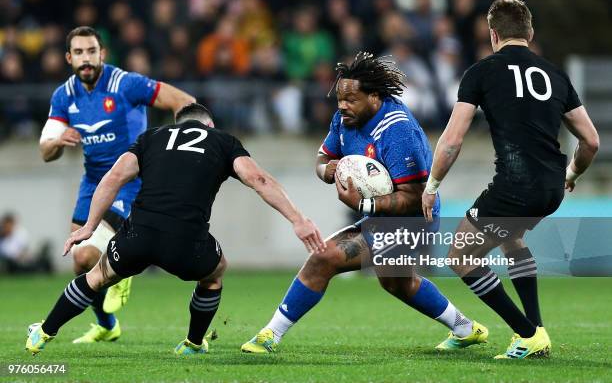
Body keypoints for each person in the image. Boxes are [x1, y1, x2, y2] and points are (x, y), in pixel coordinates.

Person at [26, 103, 325, 355]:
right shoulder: (222, 140)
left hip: (138, 234)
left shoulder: (151, 137)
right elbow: (258, 180)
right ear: (209, 124)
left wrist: (89, 226)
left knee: (97, 276)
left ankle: (44, 331)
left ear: (176, 124)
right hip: (187, 242)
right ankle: (194, 343)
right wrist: (297, 220)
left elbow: (114, 177)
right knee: (215, 271)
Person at [241, 52, 488, 354]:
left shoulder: (398, 131)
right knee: (398, 284)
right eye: (339, 100)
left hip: (412, 219)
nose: (343, 106)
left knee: (324, 257)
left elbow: (415, 195)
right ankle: (465, 328)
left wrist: (365, 205)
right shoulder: (344, 118)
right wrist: (326, 170)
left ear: (374, 97)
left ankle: (270, 335)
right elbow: (322, 159)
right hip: (382, 215)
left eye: (351, 99)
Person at [421, 0, 599, 359]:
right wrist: (573, 174)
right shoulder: (555, 75)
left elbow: (452, 140)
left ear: (493, 34)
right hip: (552, 187)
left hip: (516, 185)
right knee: (512, 238)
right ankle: (539, 331)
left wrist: (432, 185)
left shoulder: (481, 72)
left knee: (460, 255)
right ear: (530, 33)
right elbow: (591, 141)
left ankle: (526, 333)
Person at [38, 26, 195, 344]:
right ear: (69, 58)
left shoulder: (126, 83)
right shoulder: (64, 95)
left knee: (86, 257)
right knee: (80, 262)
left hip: (129, 181)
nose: (86, 59)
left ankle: (122, 268)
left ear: (102, 54)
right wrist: (58, 141)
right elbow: (45, 152)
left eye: (91, 51)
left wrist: (183, 146)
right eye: (79, 53)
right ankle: (107, 324)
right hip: (92, 182)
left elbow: (184, 101)